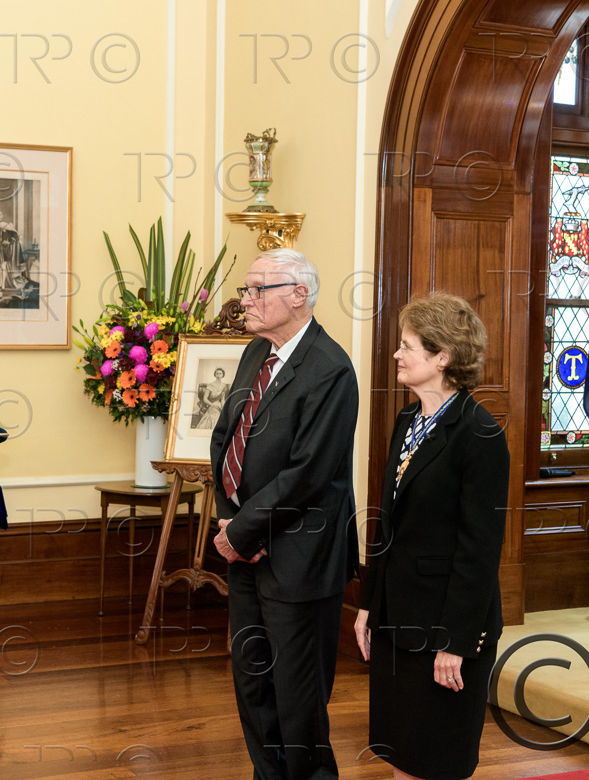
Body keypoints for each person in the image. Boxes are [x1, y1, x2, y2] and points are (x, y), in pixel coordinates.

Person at [210, 248, 358, 780]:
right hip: (246, 546)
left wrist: (244, 532)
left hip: (300, 556)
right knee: (252, 683)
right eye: (246, 289)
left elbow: (308, 474)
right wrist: (232, 522)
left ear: (299, 295)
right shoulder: (256, 352)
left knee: (298, 697)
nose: (245, 300)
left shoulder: (330, 369)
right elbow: (226, 440)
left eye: (257, 289)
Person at [354, 292, 508, 780]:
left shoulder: (479, 433)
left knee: (436, 761)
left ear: (443, 357)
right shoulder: (407, 421)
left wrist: (455, 642)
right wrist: (368, 605)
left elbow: (479, 550)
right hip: (397, 619)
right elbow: (387, 523)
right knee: (402, 755)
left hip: (445, 627)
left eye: (407, 346)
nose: (396, 354)